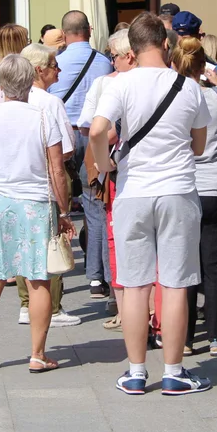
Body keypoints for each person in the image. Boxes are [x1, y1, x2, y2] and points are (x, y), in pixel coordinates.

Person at [90, 11, 213, 396]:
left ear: (132, 47)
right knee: (175, 284)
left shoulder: (120, 85)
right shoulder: (189, 86)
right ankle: (175, 371)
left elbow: (97, 130)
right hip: (177, 189)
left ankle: (136, 371)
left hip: (133, 192)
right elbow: (199, 145)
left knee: (134, 283)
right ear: (166, 43)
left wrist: (102, 161)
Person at [0, 55, 76, 373]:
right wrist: (64, 209)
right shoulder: (43, 118)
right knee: (38, 282)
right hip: (35, 204)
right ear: (30, 82)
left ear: (1, 86)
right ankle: (37, 353)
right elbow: (57, 170)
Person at [171, 37, 217, 357]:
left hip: (186, 186)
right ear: (204, 66)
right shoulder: (216, 96)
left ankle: (185, 338)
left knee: (185, 267)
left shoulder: (173, 98)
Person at [18, 43, 82, 328]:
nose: (59, 70)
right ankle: (52, 307)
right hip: (48, 176)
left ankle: (25, 303)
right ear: (39, 70)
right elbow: (65, 150)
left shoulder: (12, 99)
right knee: (53, 240)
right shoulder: (50, 102)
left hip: (19, 179)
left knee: (24, 242)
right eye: (54, 66)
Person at [49, 10, 112, 297]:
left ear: (63, 34)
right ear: (89, 29)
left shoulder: (55, 63)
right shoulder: (104, 63)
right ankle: (96, 277)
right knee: (95, 204)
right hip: (92, 136)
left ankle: (55, 270)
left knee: (58, 204)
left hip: (60, 137)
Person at [78, 28, 137, 331]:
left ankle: (118, 301)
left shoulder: (114, 84)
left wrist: (104, 158)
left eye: (114, 57)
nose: (112, 63)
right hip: (118, 166)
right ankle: (122, 300)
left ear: (129, 55)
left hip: (117, 166)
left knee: (110, 230)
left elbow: (91, 126)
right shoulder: (172, 81)